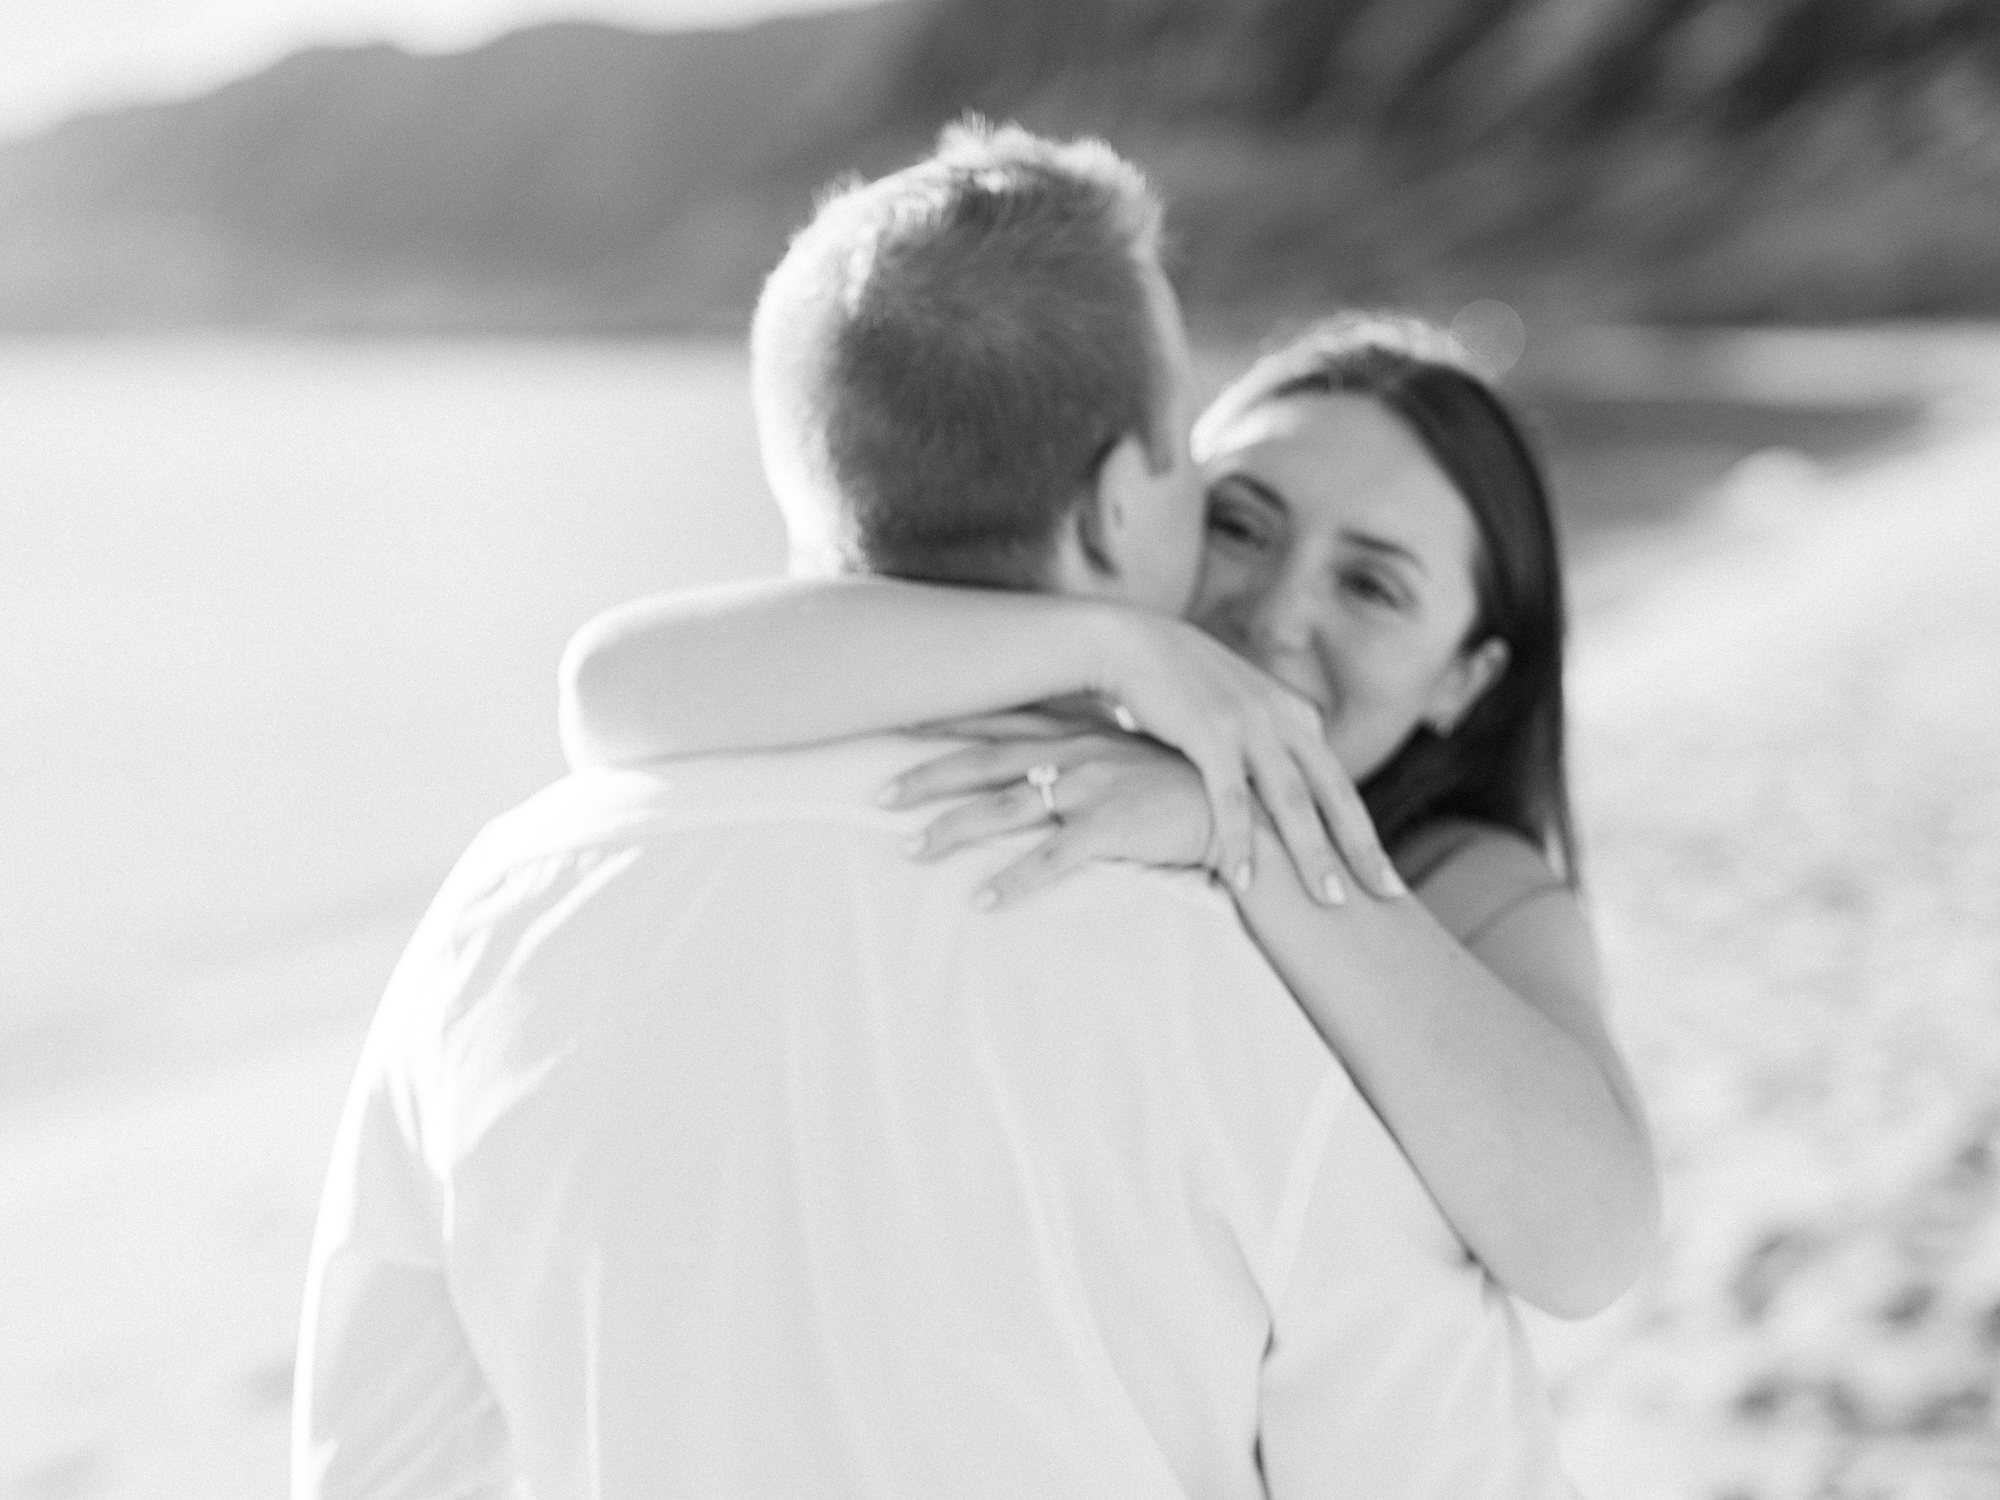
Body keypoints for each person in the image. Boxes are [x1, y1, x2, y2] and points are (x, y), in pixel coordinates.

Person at [294, 122, 1576, 1499]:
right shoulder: (1262, 983)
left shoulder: (494, 912)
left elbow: (377, 1461)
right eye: (1211, 488)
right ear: (1109, 511)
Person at [559, 313, 1660, 1320]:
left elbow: (1587, 1246)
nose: (1274, 615)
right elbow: (616, 691)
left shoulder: (1469, 878)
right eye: (1238, 525)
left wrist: (1240, 827)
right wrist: (1108, 645)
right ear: (1145, 512)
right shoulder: (1059, 677)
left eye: (1370, 587)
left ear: (1460, 681)